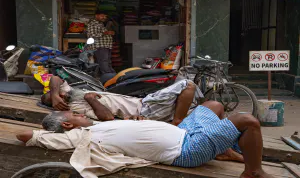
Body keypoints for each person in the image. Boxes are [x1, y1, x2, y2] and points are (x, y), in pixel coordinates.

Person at [16, 104, 274, 178]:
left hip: (185, 132)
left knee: (214, 105)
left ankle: (225, 148)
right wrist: (48, 132)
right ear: (67, 124)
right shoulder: (78, 135)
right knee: (247, 120)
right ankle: (253, 171)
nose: (80, 113)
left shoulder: (99, 125)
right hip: (186, 150)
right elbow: (26, 135)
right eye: (74, 114)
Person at [41, 75, 209, 126]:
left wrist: (54, 93)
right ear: (57, 105)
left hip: (143, 102)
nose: (61, 95)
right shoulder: (76, 108)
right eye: (56, 98)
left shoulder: (69, 92)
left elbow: (54, 78)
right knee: (187, 85)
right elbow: (107, 118)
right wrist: (91, 99)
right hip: (143, 110)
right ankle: (177, 120)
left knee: (205, 111)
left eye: (59, 94)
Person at [87, 10, 115, 75]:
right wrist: (106, 33)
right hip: (99, 46)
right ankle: (108, 77)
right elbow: (91, 35)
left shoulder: (100, 24)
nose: (104, 17)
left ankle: (111, 75)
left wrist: (109, 33)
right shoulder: (92, 24)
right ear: (96, 15)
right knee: (104, 62)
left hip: (105, 46)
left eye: (105, 16)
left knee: (107, 62)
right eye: (102, 16)